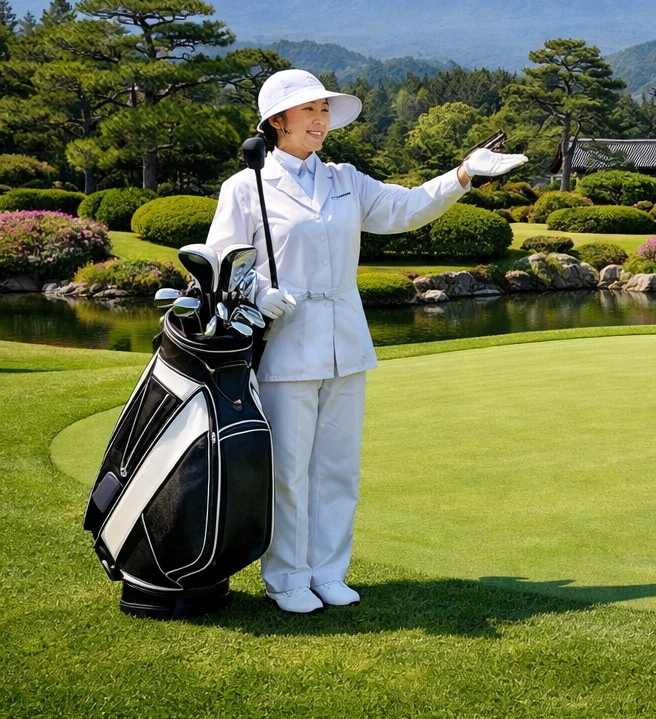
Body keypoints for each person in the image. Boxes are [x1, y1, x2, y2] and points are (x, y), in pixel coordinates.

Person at [207, 69, 525, 614]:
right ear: (276, 121)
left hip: (345, 342)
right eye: (308, 111)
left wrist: (465, 174)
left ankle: (329, 572)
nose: (320, 121)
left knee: (337, 467)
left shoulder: (346, 179)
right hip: (285, 345)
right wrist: (258, 292)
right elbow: (222, 261)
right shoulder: (247, 185)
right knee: (288, 469)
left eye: (324, 111)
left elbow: (406, 209)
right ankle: (287, 577)